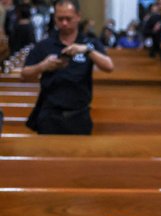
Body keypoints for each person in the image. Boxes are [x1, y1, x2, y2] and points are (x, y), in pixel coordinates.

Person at [20, 0, 114, 135]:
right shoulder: (45, 44)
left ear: (78, 16)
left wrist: (87, 51)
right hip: (50, 115)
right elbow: (24, 74)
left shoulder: (89, 43)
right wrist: (43, 66)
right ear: (55, 18)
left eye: (68, 19)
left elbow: (109, 67)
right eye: (60, 19)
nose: (64, 23)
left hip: (79, 116)